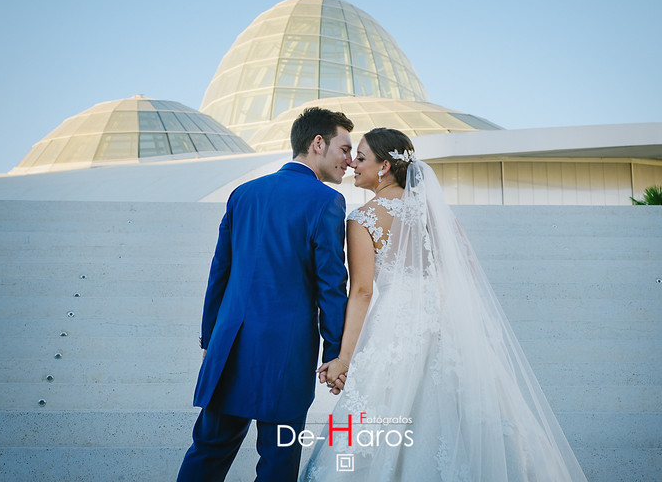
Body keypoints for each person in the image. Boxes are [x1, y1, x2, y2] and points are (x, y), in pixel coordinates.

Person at [301, 128, 588, 481]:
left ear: (385, 166)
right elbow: (463, 269)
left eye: (361, 158)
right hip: (447, 319)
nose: (353, 164)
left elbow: (362, 292)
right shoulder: (434, 211)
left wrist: (343, 357)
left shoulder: (362, 220)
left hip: (396, 323)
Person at [177, 107, 354, 482]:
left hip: (230, 345)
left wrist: (211, 337)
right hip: (285, 354)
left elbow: (219, 272)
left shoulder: (243, 194)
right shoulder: (326, 201)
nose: (350, 161)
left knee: (208, 450)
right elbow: (331, 286)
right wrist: (335, 351)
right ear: (318, 143)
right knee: (278, 462)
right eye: (344, 148)